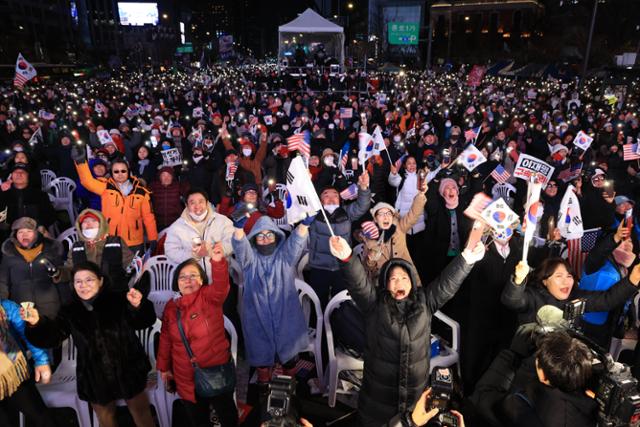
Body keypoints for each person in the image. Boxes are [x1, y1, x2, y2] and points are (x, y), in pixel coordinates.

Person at [328, 233, 486, 426]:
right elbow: (359, 284)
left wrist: (467, 259)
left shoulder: (425, 303)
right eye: (393, 278)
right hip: (378, 402)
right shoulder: (374, 305)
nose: (399, 282)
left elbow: (446, 285)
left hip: (414, 396)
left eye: (404, 277)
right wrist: (346, 257)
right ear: (386, 284)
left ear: (412, 282)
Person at [23, 262, 157, 427]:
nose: (83, 285)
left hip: (128, 369)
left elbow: (144, 321)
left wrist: (138, 306)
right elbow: (52, 336)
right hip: (95, 376)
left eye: (89, 280)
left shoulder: (118, 299)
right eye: (78, 281)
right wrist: (36, 323)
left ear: (100, 281)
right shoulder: (70, 310)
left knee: (142, 416)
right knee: (106, 421)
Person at [157, 244, 238, 427]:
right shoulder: (171, 306)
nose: (188, 280)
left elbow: (221, 286)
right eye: (182, 277)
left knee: (227, 416)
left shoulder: (209, 297)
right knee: (197, 419)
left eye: (193, 275)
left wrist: (217, 262)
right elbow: (166, 339)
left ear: (202, 280)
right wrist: (164, 367)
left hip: (215, 371)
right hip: (184, 375)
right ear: (176, 282)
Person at [231, 215, 312, 391]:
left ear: (276, 236)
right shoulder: (250, 261)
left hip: (286, 315)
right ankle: (263, 385)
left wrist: (304, 225)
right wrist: (238, 231)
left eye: (269, 235)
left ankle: (290, 386)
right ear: (254, 239)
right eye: (260, 236)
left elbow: (295, 243)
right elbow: (241, 247)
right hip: (256, 317)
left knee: (289, 358)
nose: (265, 239)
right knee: (261, 358)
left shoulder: (285, 257)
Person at [471, 330, 597, 427]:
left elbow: (484, 403)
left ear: (543, 376)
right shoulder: (591, 401)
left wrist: (510, 355)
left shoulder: (520, 404)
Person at [502, 257, 640, 326]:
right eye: (558, 276)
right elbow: (512, 301)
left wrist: (631, 281)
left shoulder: (576, 296)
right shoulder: (533, 296)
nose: (566, 281)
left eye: (569, 276)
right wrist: (518, 281)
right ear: (544, 280)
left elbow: (606, 300)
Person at [71, 144, 158, 253]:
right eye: (116, 171)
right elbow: (87, 182)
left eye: (123, 171)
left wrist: (153, 238)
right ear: (111, 173)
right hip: (111, 238)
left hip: (135, 241)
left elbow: (148, 217)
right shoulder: (105, 188)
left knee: (135, 269)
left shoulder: (141, 192)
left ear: (129, 172)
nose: (120, 174)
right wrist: (80, 162)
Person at [307, 172, 371, 307]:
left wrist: (363, 187)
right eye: (326, 195)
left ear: (340, 200)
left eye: (335, 195)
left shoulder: (346, 213)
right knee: (317, 304)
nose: (331, 199)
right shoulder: (312, 214)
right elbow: (301, 205)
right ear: (320, 200)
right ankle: (318, 326)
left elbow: (362, 206)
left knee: (342, 304)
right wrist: (306, 182)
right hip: (319, 268)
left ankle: (338, 326)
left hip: (341, 267)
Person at [0, 298, 54, 427]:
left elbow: (28, 334)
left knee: (40, 418)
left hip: (15, 376)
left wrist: (42, 361)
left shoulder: (6, 307)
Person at [363, 177, 427, 285]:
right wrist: (371, 259)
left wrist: (421, 195)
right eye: (381, 214)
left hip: (406, 277)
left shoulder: (400, 228)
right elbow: (367, 268)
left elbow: (414, 214)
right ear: (375, 219)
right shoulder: (369, 239)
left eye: (388, 214)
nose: (385, 217)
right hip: (384, 283)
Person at [0, 217, 63, 319]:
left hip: (50, 307)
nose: (24, 235)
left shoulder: (50, 250)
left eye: (29, 231)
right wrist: (2, 305)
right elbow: (2, 282)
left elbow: (62, 280)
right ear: (15, 235)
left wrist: (66, 302)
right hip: (19, 309)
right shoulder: (9, 254)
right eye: (20, 232)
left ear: (36, 234)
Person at [164, 189, 234, 280]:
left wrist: (215, 251)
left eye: (201, 202)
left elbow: (233, 242)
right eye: (192, 203)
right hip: (192, 280)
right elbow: (171, 251)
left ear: (207, 203)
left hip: (220, 277)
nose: (197, 206)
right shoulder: (177, 227)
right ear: (186, 205)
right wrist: (194, 255)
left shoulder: (223, 221)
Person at [56, 209, 134, 287]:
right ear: (80, 227)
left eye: (93, 220)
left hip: (113, 292)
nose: (89, 224)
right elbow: (70, 270)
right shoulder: (76, 247)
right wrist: (58, 273)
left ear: (101, 224)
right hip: (85, 294)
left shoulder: (116, 242)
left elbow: (131, 265)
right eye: (84, 222)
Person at [0, 163, 56, 234]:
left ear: (28, 176)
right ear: (11, 177)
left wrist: (39, 225)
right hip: (9, 236)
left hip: (36, 234)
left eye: (23, 172)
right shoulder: (3, 195)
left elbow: (51, 217)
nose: (19, 174)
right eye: (16, 172)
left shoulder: (40, 195)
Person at [150, 166, 188, 231]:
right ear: (160, 177)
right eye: (163, 175)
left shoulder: (177, 186)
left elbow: (188, 193)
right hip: (158, 223)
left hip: (175, 222)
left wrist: (184, 177)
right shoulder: (153, 186)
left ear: (172, 177)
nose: (166, 178)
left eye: (169, 175)